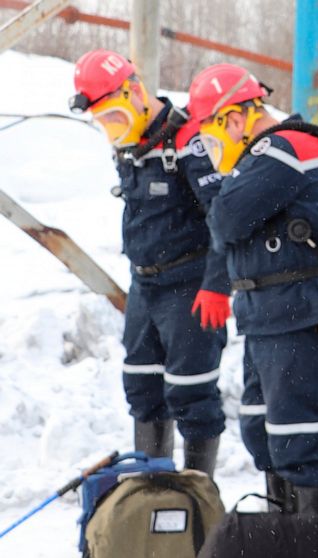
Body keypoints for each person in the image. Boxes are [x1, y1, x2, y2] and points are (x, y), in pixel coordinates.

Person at [187, 63, 318, 556]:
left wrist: (221, 190)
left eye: (214, 135)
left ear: (236, 119)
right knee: (264, 431)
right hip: (270, 317)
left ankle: (314, 548)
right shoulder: (261, 159)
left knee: (302, 444)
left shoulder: (285, 149)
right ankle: (288, 540)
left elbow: (228, 220)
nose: (214, 153)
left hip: (300, 317)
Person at [70, 49, 228, 477]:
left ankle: (198, 497)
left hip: (190, 285)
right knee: (142, 387)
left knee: (192, 394)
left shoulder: (189, 141)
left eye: (116, 117)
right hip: (145, 285)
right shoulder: (129, 147)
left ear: (134, 90)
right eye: (104, 123)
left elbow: (224, 218)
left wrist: (217, 284)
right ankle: (153, 496)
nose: (113, 131)